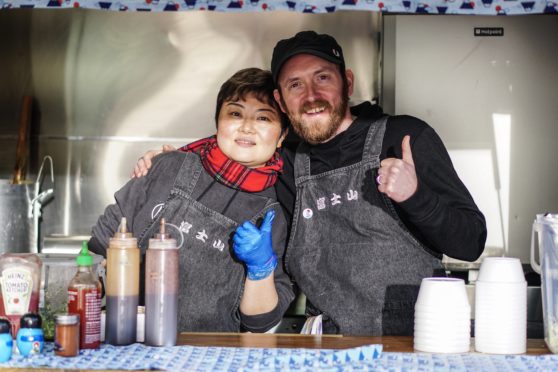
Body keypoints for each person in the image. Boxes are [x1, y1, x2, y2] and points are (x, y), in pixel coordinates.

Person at [132, 31, 487, 336]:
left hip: (417, 341)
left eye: (323, 78)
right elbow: (229, 147)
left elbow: (471, 242)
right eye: (295, 85)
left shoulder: (404, 137)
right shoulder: (284, 162)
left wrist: (415, 196)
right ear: (281, 101)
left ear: (347, 83)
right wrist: (169, 161)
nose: (311, 95)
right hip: (329, 348)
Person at [89, 68, 295, 333]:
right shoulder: (167, 166)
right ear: (217, 121)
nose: (247, 126)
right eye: (235, 113)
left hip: (212, 356)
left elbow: (260, 323)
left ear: (282, 136)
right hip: (130, 342)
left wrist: (261, 269)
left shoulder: (275, 215)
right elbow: (99, 247)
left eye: (264, 118)